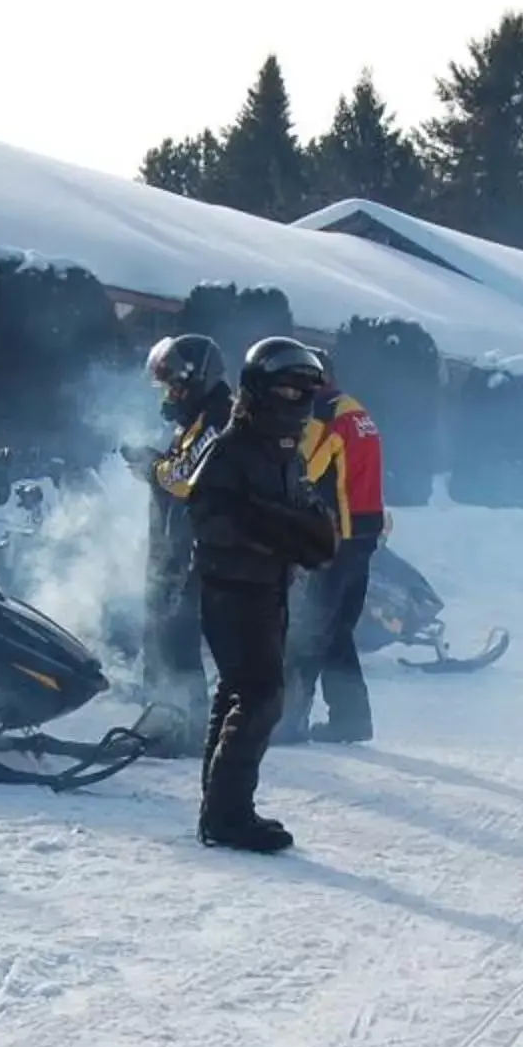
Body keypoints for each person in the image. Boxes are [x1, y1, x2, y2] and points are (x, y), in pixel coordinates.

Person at [186, 338, 339, 850]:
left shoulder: (285, 453)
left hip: (267, 587)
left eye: (305, 390)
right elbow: (210, 519)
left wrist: (307, 532)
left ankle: (221, 809)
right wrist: (278, 529)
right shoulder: (232, 448)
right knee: (261, 696)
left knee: (238, 693)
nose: (297, 399)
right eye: (287, 388)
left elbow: (310, 513)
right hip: (230, 590)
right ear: (260, 390)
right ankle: (228, 816)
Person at [280, 356, 387, 744]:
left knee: (308, 627)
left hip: (335, 537)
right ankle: (351, 718)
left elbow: (302, 466)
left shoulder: (325, 413)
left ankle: (288, 720)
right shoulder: (356, 410)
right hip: (362, 535)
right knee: (337, 630)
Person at [138, 335, 228, 756]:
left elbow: (183, 477)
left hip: (197, 546)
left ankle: (189, 727)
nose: (170, 394)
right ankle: (165, 716)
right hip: (178, 544)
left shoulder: (216, 418)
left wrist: (150, 465)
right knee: (163, 631)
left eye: (175, 385)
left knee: (179, 636)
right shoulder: (196, 418)